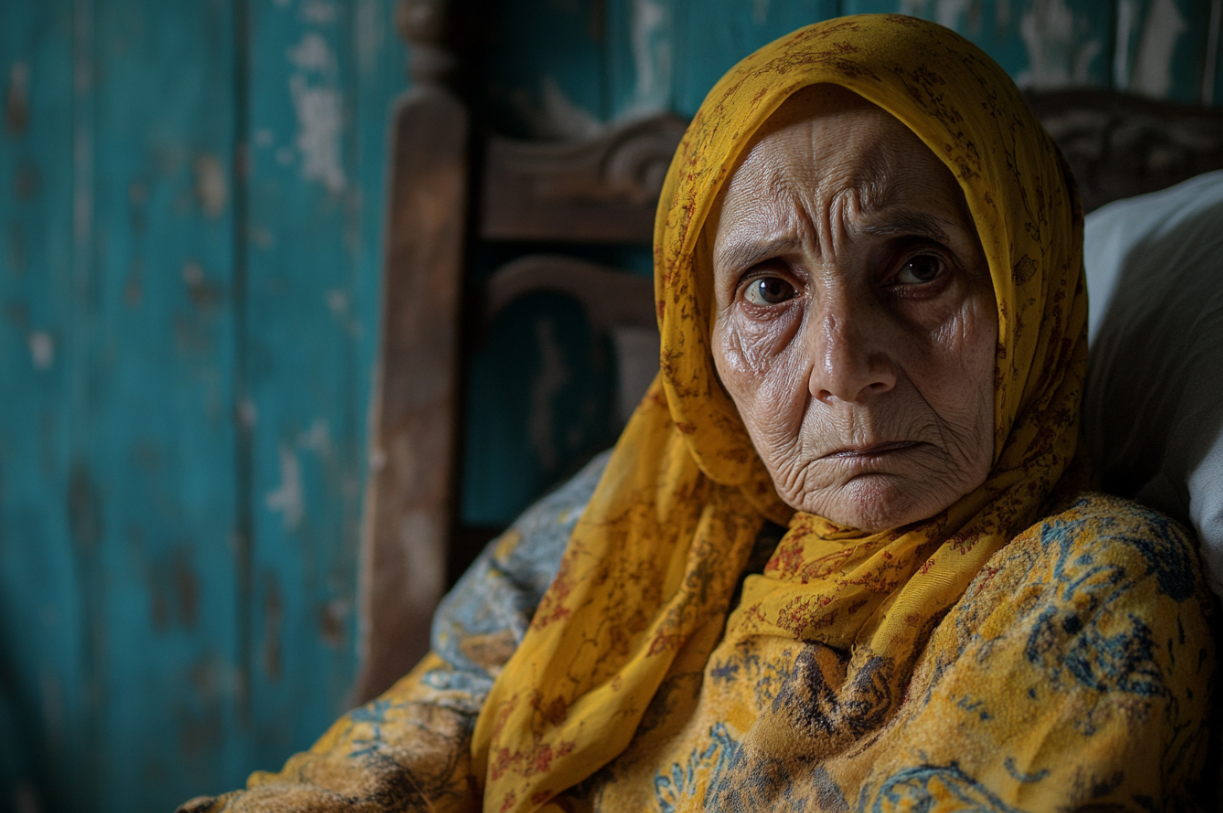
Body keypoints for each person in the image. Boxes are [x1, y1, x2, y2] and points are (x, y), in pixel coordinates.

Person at [178, 14, 1215, 813]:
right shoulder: (650, 519)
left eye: (915, 268)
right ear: (702, 339)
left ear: (1027, 297)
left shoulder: (1091, 591)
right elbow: (439, 721)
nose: (840, 368)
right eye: (769, 288)